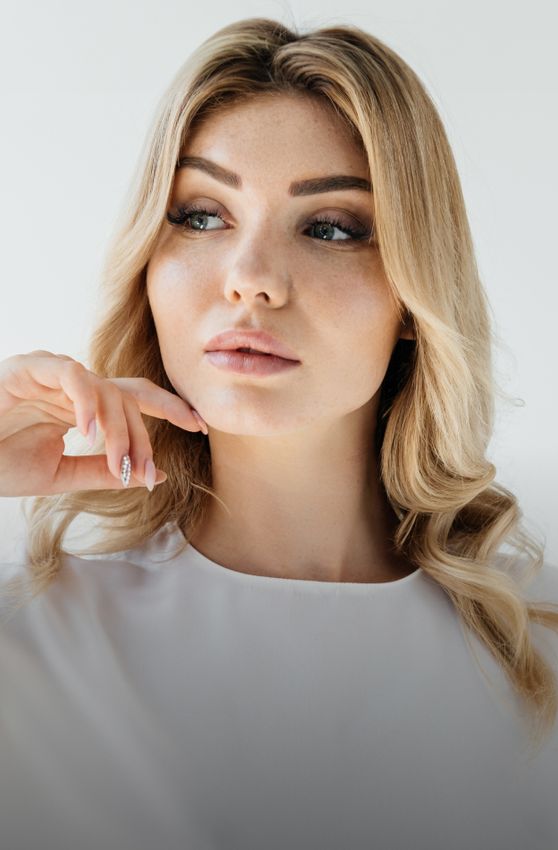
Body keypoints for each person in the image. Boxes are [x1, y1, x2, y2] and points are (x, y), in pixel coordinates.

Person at [1, 16, 557, 850]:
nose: (252, 280)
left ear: (414, 297)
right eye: (200, 215)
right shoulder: (32, 649)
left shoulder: (535, 651)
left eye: (331, 227)